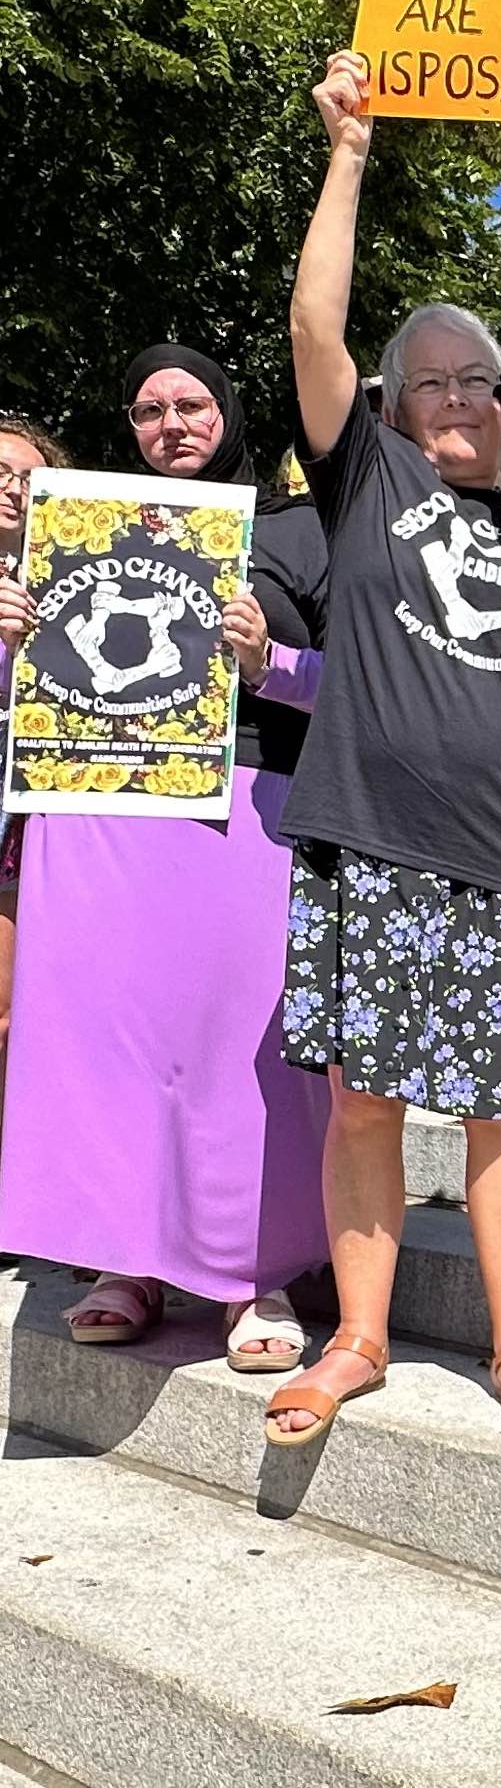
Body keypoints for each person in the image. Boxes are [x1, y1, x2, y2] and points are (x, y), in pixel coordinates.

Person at [260, 49, 501, 1446]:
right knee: (366, 1100)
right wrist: (349, 153)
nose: (454, 399)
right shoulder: (369, 475)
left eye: (477, 381)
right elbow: (314, 328)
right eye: (428, 382)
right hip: (369, 832)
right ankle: (362, 1335)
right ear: (391, 410)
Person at [0, 355, 329, 1366]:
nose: (170, 424)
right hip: (95, 809)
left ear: (228, 414)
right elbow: (30, 708)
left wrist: (267, 664)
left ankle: (254, 1276)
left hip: (243, 802)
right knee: (103, 1039)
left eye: (191, 405)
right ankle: (123, 1259)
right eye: (148, 409)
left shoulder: (301, 533)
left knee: (242, 1050)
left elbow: (356, 686)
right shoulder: (71, 534)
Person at [0, 412, 70, 1200]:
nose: (13, 487)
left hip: (39, 817)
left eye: (25, 475)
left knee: (19, 1014)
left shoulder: (65, 573)